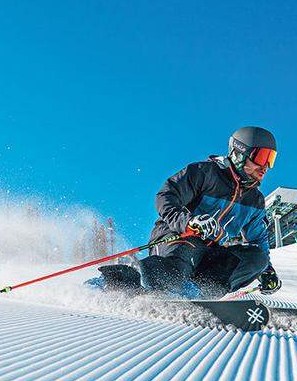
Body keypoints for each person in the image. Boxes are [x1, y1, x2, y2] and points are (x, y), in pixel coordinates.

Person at [100, 126, 282, 298]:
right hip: (178, 236)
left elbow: (258, 241)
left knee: (256, 259)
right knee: (184, 256)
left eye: (271, 159)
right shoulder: (205, 173)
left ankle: (197, 296)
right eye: (262, 157)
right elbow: (166, 195)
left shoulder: (255, 200)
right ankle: (123, 278)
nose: (266, 166)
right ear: (239, 153)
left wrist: (266, 270)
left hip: (211, 252)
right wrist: (188, 222)